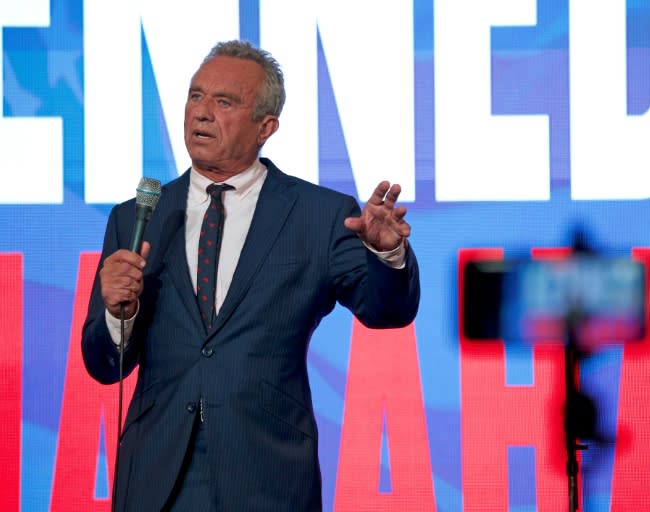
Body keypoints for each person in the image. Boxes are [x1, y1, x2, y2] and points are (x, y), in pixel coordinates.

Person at [81, 40, 419, 511]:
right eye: (195, 96)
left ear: (266, 126)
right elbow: (102, 364)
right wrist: (121, 311)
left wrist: (386, 254)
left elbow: (388, 312)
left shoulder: (317, 215)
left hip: (266, 476)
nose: (201, 113)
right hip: (157, 479)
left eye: (224, 102)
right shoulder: (138, 217)